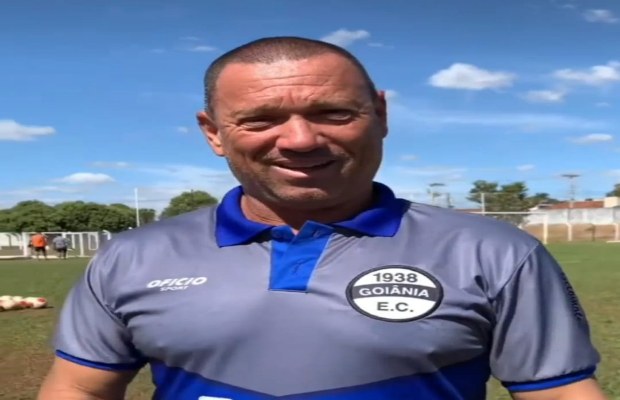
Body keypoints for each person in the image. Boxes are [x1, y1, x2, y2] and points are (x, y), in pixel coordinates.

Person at [37, 37, 608, 400]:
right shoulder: (134, 256)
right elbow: (80, 388)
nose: (300, 139)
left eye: (333, 112)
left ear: (380, 115)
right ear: (214, 133)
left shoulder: (494, 251)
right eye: (261, 119)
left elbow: (559, 393)